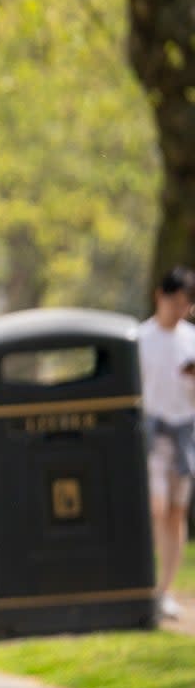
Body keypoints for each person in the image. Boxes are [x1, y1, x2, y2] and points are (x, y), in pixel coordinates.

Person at [138, 264, 195, 621]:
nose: (179, 310)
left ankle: (166, 589)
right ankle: (145, 583)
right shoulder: (140, 338)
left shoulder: (191, 338)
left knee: (176, 513)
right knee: (155, 507)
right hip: (153, 434)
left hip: (185, 434)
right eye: (175, 301)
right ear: (161, 297)